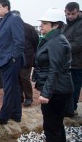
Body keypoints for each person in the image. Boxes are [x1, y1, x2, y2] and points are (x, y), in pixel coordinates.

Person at [33, 8, 73, 142]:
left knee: (51, 127)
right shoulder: (53, 39)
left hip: (57, 91)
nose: (41, 25)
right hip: (57, 89)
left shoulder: (57, 41)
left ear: (56, 25)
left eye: (45, 23)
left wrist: (46, 93)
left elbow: (55, 69)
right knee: (55, 125)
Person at [0, 0, 25, 125]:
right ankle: (16, 114)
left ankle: (2, 117)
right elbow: (4, 39)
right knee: (14, 88)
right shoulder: (4, 20)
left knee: (8, 89)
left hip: (10, 60)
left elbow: (20, 41)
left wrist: (13, 58)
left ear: (6, 7)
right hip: (5, 59)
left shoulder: (14, 19)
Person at [13, 10, 39, 107]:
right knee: (17, 78)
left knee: (24, 78)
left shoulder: (29, 28)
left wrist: (32, 55)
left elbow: (35, 42)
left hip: (26, 58)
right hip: (15, 58)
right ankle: (19, 97)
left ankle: (29, 98)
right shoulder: (12, 28)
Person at [63, 2, 82, 116]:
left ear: (78, 12)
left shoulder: (80, 24)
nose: (70, 16)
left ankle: (71, 109)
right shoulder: (67, 25)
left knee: (74, 88)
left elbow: (79, 44)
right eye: (68, 14)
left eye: (73, 14)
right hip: (68, 62)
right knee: (67, 88)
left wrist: (61, 48)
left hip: (78, 63)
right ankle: (68, 109)